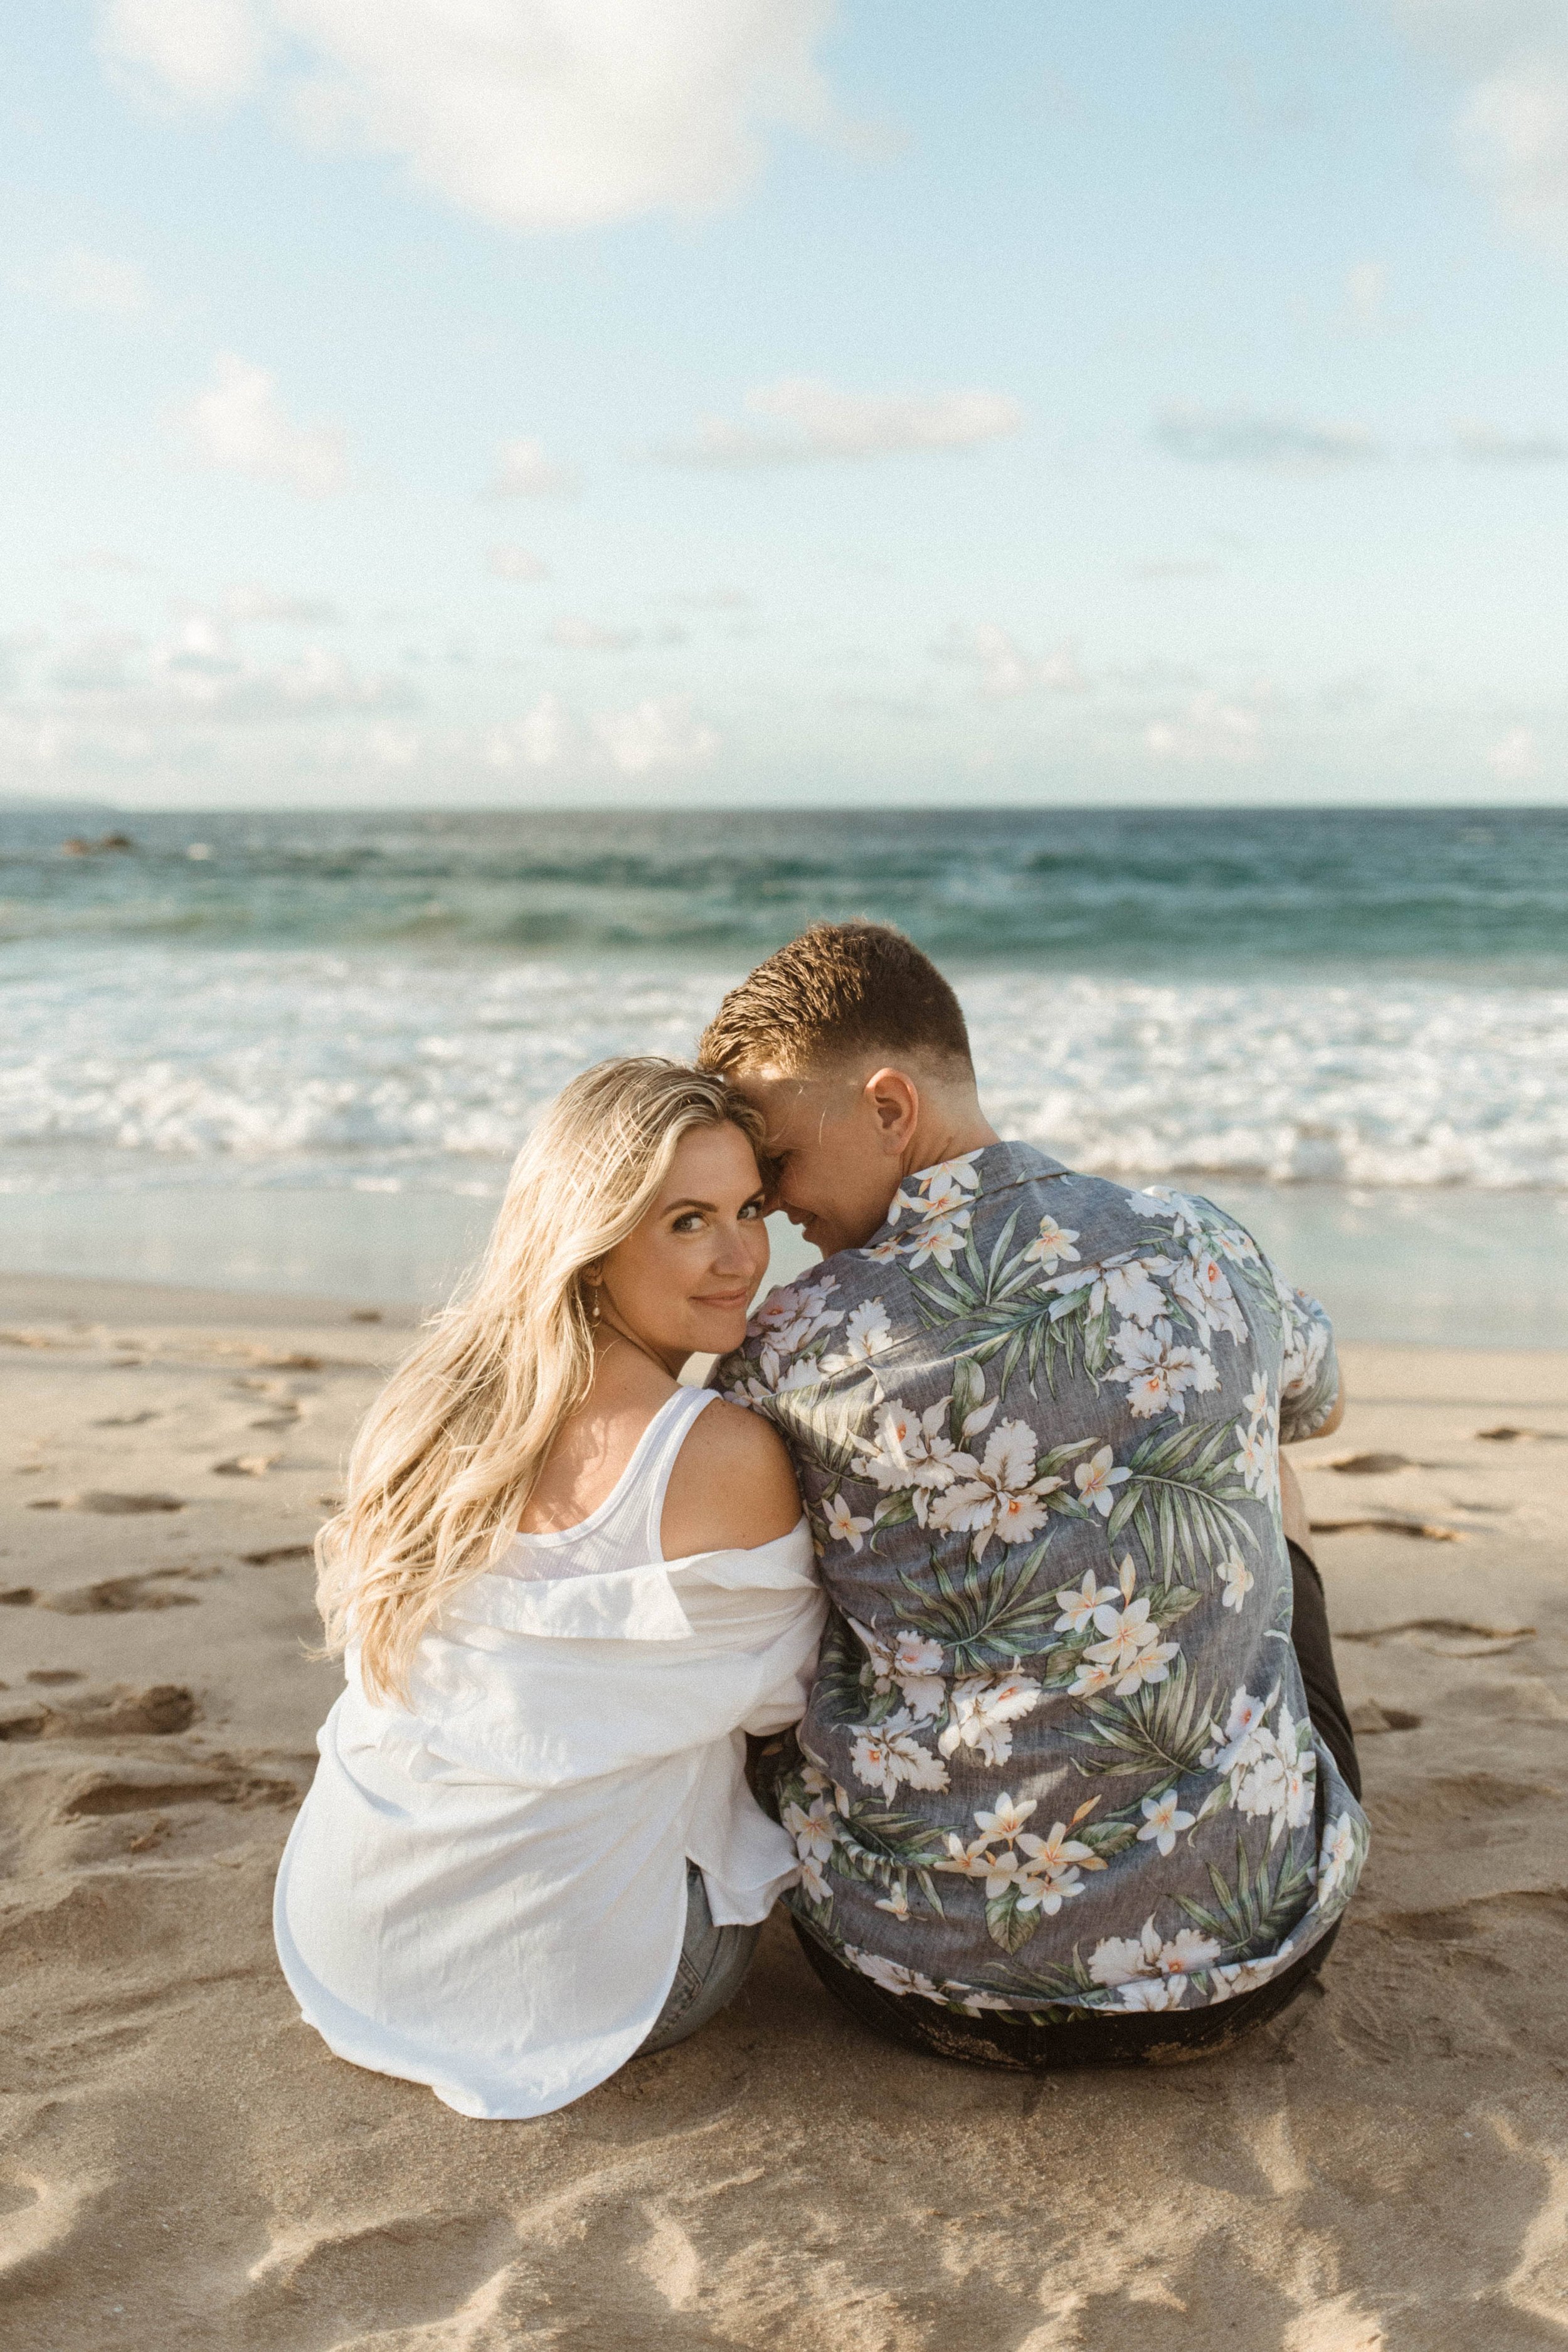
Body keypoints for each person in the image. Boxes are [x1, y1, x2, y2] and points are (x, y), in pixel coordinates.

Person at [701, 923, 1368, 2069]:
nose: (767, 1204)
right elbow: (1323, 1402)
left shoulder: (792, 1343)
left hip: (919, 1975)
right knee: (1266, 1458)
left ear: (890, 1108)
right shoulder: (1197, 1241)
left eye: (776, 1161)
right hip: (1249, 1959)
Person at [273, 1058, 824, 2119]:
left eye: (751, 1208)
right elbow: (785, 1705)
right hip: (576, 1990)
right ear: (594, 1237)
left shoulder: (432, 1410)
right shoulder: (716, 1451)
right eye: (687, 1223)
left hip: (348, 1932)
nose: (743, 1255)